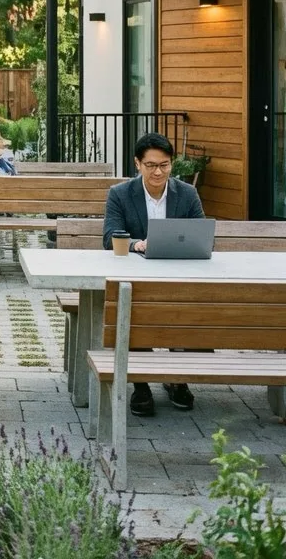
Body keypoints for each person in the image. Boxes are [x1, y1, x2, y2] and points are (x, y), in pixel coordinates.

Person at [102, 131, 206, 417]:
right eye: (151, 165)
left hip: (178, 277)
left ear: (171, 163)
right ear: (138, 164)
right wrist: (137, 244)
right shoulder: (120, 194)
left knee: (184, 312)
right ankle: (141, 384)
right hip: (135, 277)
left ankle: (178, 379)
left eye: (164, 165)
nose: (158, 172)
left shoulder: (187, 194)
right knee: (135, 310)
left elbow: (202, 236)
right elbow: (110, 236)